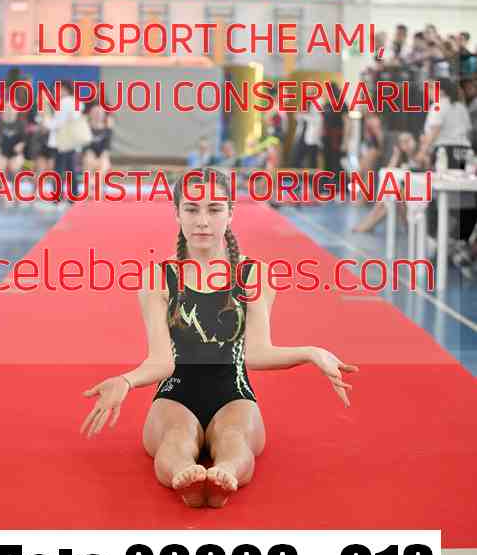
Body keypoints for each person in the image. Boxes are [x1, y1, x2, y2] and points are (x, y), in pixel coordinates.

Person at [80, 168, 359, 508]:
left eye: (214, 209)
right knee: (175, 438)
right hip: (175, 393)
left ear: (230, 213)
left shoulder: (253, 274)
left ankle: (225, 473)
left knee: (234, 439)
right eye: (191, 209)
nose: (202, 221)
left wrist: (312, 352)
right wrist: (126, 381)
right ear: (177, 213)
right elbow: (162, 361)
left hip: (234, 393)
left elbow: (256, 352)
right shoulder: (159, 277)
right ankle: (184, 474)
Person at [352, 132, 428, 234]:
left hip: (420, 201)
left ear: (414, 141)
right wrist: (396, 156)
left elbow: (421, 164)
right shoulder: (403, 159)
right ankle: (369, 222)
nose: (406, 144)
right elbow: (388, 172)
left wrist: (422, 146)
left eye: (408, 140)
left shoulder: (421, 156)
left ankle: (369, 223)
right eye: (402, 142)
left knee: (393, 195)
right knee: (390, 193)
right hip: (407, 202)